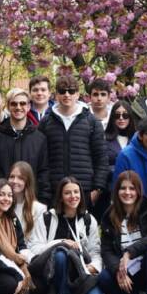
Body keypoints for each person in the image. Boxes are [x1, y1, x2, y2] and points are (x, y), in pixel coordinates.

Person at [27, 177, 106, 294]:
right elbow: (34, 248)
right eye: (67, 193)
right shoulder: (47, 218)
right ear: (60, 197)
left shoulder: (89, 220)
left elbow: (95, 250)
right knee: (61, 254)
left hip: (79, 273)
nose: (73, 196)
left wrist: (94, 266)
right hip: (52, 271)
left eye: (76, 192)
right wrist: (61, 242)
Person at [37, 75, 109, 215]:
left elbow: (101, 158)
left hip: (84, 191)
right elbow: (41, 160)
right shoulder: (46, 123)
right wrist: (44, 190)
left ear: (77, 94)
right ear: (56, 94)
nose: (67, 95)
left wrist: (97, 189)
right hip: (55, 191)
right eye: (62, 91)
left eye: (71, 91)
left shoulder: (92, 122)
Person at [0, 88, 50, 202]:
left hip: (31, 201)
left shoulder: (39, 138)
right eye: (14, 104)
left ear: (29, 106)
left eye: (22, 103)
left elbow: (44, 173)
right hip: (2, 201)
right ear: (8, 106)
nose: (18, 107)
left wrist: (43, 200)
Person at [8, 161, 47, 239]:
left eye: (20, 178)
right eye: (12, 176)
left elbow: (38, 242)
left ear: (27, 182)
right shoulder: (2, 204)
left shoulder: (38, 209)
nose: (15, 181)